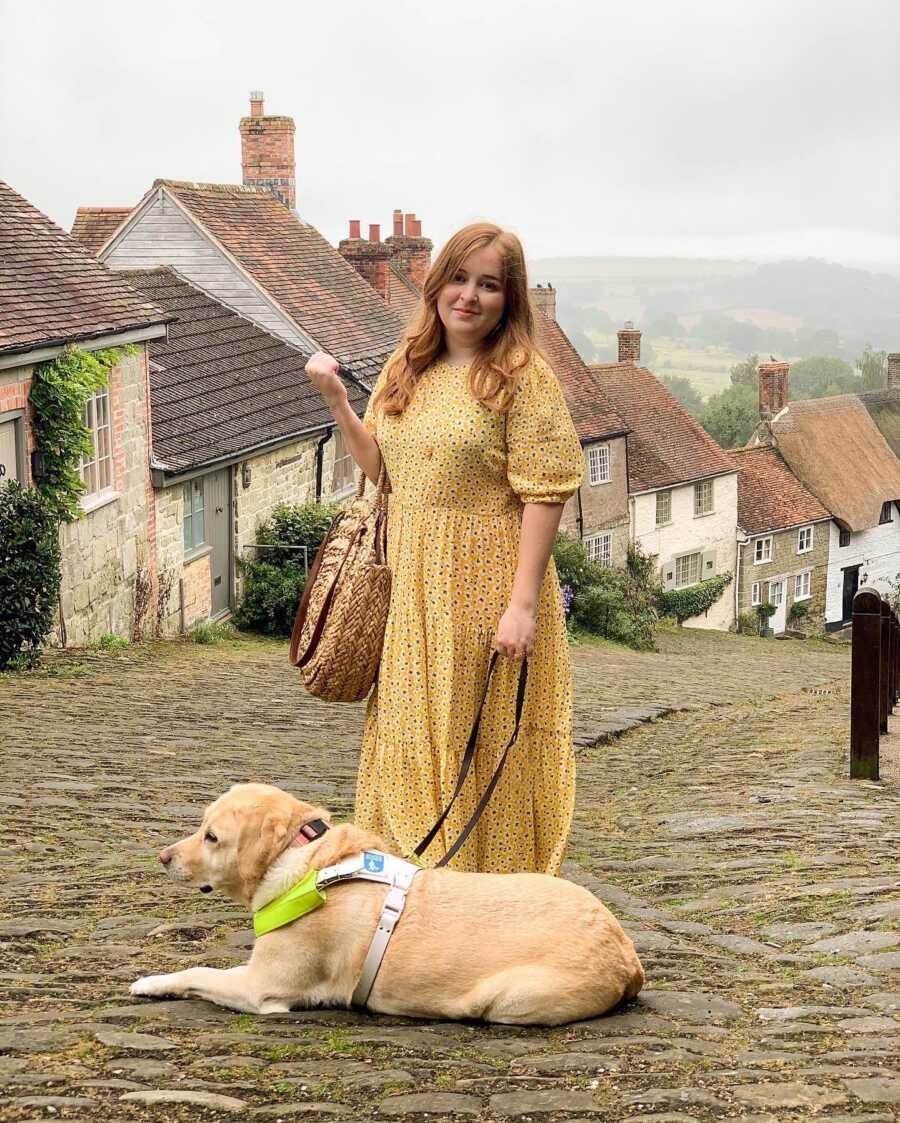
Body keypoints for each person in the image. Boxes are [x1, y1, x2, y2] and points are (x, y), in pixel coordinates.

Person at [305, 221, 583, 874]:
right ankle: (408, 892)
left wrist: (522, 606)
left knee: (470, 740)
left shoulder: (522, 376)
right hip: (410, 585)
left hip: (484, 586)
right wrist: (339, 404)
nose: (469, 296)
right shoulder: (410, 365)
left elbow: (545, 493)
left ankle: (476, 900)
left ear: (508, 299)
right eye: (458, 278)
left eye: (488, 285)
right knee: (407, 736)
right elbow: (382, 469)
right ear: (436, 284)